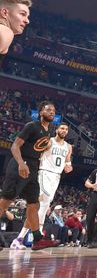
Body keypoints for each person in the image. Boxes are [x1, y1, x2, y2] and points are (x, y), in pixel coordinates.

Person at [0, 100, 60, 251]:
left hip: (33, 167)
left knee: (34, 204)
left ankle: (37, 240)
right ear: (41, 112)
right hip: (20, 165)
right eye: (48, 110)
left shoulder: (49, 131)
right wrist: (21, 163)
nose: (52, 112)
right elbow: (15, 146)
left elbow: (38, 148)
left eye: (53, 110)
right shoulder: (32, 126)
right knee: (6, 201)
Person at [14, 122, 73, 247]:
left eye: (66, 129)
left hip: (56, 177)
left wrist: (69, 166)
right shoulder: (49, 141)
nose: (64, 130)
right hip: (44, 173)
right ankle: (38, 234)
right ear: (56, 130)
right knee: (43, 203)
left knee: (40, 206)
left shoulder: (68, 146)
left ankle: (19, 238)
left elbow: (67, 160)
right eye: (62, 128)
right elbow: (37, 154)